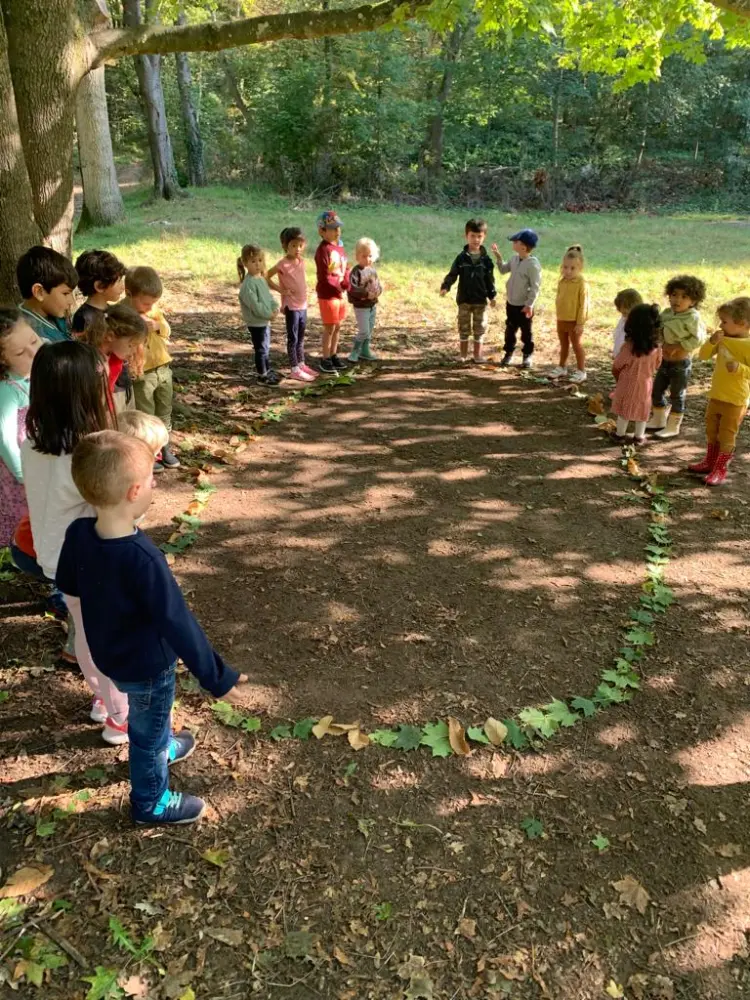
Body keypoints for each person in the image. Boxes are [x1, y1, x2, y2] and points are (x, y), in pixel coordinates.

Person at [57, 430, 250, 826]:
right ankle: (150, 802)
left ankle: (162, 745)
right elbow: (178, 622)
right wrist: (218, 677)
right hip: (147, 666)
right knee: (144, 733)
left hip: (108, 652)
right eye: (150, 479)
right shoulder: (143, 558)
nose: (154, 483)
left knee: (152, 724)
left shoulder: (79, 533)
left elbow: (67, 584)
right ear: (132, 493)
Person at [19, 340, 128, 741]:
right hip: (93, 561)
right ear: (84, 394)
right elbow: (114, 506)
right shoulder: (88, 450)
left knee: (84, 631)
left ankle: (103, 699)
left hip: (56, 557)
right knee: (106, 637)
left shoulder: (33, 442)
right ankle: (120, 716)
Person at [689, 297, 750, 486]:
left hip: (735, 399)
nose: (720, 325)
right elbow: (703, 355)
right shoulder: (722, 338)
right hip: (716, 394)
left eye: (724, 321)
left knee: (726, 434)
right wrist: (711, 341)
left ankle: (720, 468)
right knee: (711, 429)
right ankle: (709, 461)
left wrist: (740, 368)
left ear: (742, 324)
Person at [126, 266, 181, 471]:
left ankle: (165, 446)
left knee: (164, 411)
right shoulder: (125, 312)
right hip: (143, 372)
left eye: (153, 303)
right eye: (145, 302)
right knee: (146, 414)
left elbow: (167, 330)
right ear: (129, 294)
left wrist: (157, 325)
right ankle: (150, 452)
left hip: (163, 368)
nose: (149, 306)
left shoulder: (153, 311)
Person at [647, 274, 707, 440]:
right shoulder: (667, 313)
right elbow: (659, 329)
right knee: (656, 390)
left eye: (684, 296)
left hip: (680, 363)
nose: (677, 300)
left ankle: (673, 425)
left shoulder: (692, 318)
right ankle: (658, 419)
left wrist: (679, 346)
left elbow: (699, 338)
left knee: (676, 394)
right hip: (664, 361)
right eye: (674, 295)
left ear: (693, 301)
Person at [0, 310, 42, 547]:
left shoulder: (30, 375)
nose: (33, 352)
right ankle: (20, 548)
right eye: (19, 353)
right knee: (21, 511)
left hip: (33, 460)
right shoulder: (7, 390)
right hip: (17, 467)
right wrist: (21, 475)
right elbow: (4, 439)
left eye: (34, 341)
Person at [440, 218, 496, 363]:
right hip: (464, 299)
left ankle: (477, 355)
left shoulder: (486, 260)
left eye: (479, 236)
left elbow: (490, 280)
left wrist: (492, 295)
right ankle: (463, 355)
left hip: (480, 300)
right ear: (466, 236)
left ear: (484, 237)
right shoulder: (461, 258)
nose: (476, 239)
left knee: (480, 328)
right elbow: (453, 274)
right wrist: (446, 286)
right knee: (463, 327)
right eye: (472, 236)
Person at [266, 227, 317, 382]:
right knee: (293, 337)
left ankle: (301, 364)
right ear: (285, 246)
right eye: (293, 245)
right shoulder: (282, 264)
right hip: (291, 306)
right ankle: (294, 368)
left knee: (301, 337)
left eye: (300, 245)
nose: (297, 249)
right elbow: (266, 276)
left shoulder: (301, 261)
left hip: (302, 305)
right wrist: (280, 290)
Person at [610, 304, 663, 446]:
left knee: (624, 410)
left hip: (626, 383)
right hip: (645, 384)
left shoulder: (628, 347)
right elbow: (658, 364)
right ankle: (639, 436)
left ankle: (620, 434)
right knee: (643, 410)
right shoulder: (656, 348)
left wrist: (617, 376)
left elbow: (617, 365)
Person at [491, 229, 542, 369]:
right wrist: (498, 258)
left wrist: (529, 304)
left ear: (524, 247)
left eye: (515, 241)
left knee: (526, 332)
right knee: (510, 330)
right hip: (511, 303)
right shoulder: (514, 259)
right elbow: (503, 270)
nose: (513, 243)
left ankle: (527, 355)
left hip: (524, 305)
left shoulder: (532, 264)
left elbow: (535, 287)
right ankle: (508, 353)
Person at [80, 302, 147, 404]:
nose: (133, 351)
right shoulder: (88, 361)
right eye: (131, 345)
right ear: (110, 336)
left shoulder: (115, 360)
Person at [237, 244, 281, 386]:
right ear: (245, 263)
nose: (257, 264)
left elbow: (268, 297)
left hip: (265, 321)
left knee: (266, 347)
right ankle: (262, 375)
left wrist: (275, 307)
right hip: (256, 322)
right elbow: (255, 305)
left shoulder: (260, 279)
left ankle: (267, 370)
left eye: (260, 260)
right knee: (261, 349)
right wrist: (269, 314)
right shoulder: (248, 284)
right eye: (253, 261)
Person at [17, 246, 78, 344]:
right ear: (39, 292)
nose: (71, 301)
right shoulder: (32, 337)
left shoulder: (54, 312)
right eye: (66, 293)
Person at [315, 210, 350, 374]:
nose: (337, 231)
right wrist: (337, 287)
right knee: (329, 328)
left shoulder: (339, 246)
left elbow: (345, 266)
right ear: (322, 231)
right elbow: (324, 276)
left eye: (338, 227)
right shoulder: (323, 250)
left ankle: (334, 354)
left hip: (340, 293)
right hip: (328, 294)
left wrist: (347, 281)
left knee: (337, 326)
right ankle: (325, 358)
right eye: (332, 228)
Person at [549, 244, 589, 383]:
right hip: (562, 319)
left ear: (580, 268)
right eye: (565, 267)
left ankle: (581, 370)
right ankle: (562, 367)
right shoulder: (562, 281)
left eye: (572, 268)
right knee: (563, 344)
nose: (568, 271)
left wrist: (580, 322)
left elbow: (583, 304)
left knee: (576, 345)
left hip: (574, 321)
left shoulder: (581, 283)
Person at [71, 249, 127, 334]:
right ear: (99, 286)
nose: (123, 287)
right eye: (118, 281)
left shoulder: (110, 310)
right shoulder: (83, 318)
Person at [348, 237, 383, 363]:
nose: (368, 259)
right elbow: (352, 289)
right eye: (364, 256)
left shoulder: (372, 271)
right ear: (357, 256)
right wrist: (366, 294)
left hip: (372, 305)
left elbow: (378, 285)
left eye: (370, 256)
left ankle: (365, 350)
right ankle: (355, 351)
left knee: (370, 328)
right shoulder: (356, 272)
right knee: (364, 330)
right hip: (361, 306)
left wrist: (378, 291)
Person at [612, 289, 643, 357]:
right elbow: (618, 337)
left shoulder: (639, 324)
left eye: (626, 308)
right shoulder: (623, 319)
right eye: (621, 310)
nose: (623, 311)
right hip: (620, 357)